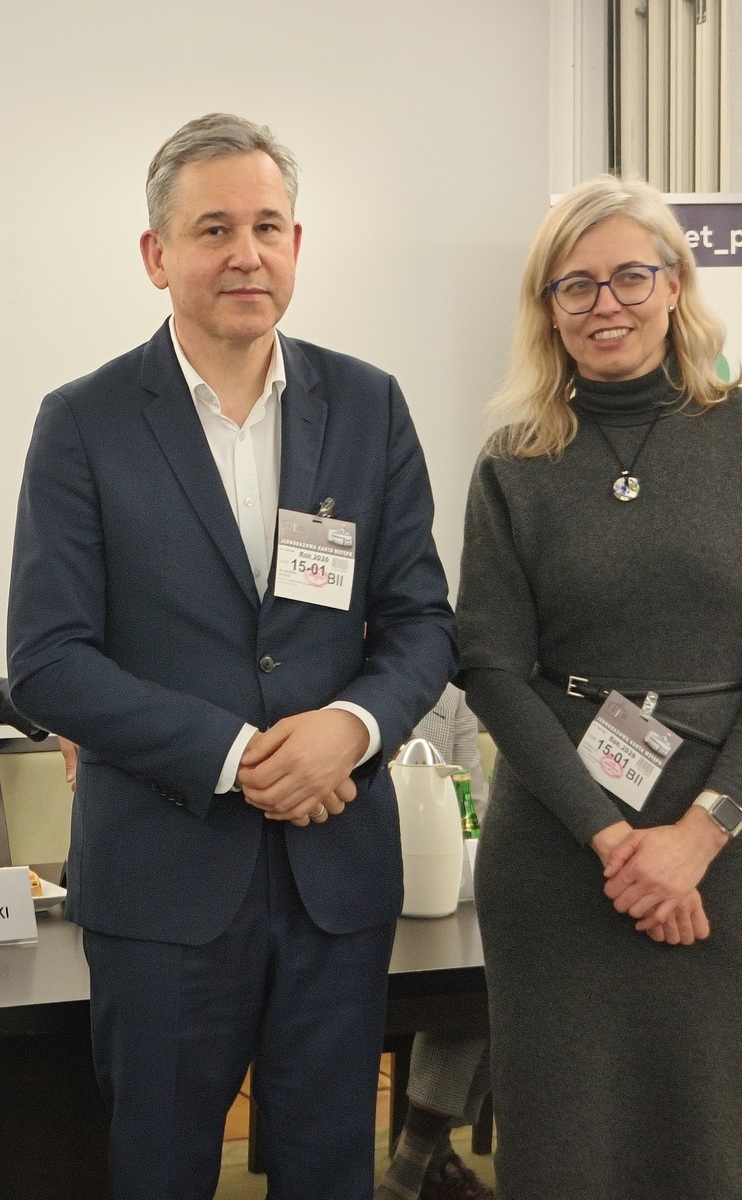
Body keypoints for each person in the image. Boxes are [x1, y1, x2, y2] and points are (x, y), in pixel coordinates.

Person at [7, 113, 456, 1199]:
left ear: (296, 244)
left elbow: (422, 623)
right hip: (161, 885)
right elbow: (49, 659)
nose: (245, 253)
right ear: (157, 254)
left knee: (328, 1174)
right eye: (214, 229)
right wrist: (236, 755)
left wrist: (350, 729)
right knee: (159, 1173)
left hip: (336, 879)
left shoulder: (368, 404)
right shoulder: (84, 421)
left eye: (267, 227)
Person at [458, 174, 742, 1198]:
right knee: (569, 1151)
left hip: (726, 851)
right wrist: (615, 842)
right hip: (560, 853)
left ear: (675, 286)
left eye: (630, 276)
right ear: (547, 308)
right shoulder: (514, 461)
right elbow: (489, 666)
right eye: (573, 285)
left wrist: (699, 835)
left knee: (711, 1144)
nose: (604, 304)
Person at [376, 684, 492, 1200]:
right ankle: (425, 1158)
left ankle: (420, 1156)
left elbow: (474, 802)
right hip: (348, 888)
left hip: (434, 888)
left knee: (486, 985)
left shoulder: (450, 697)